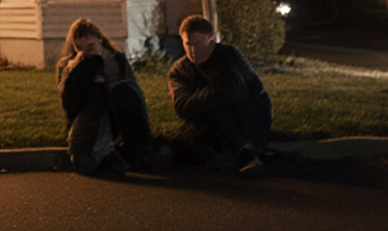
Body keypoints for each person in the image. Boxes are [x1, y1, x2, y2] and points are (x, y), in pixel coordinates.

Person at [167, 15, 273, 175]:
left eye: (198, 43)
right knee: (184, 139)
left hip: (249, 118)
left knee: (211, 107)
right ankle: (236, 154)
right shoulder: (180, 70)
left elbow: (232, 91)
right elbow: (182, 106)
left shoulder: (228, 57)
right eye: (188, 44)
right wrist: (209, 95)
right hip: (212, 125)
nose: (193, 50)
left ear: (210, 39)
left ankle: (245, 152)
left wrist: (200, 98)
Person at [55, 18, 155, 175]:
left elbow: (131, 89)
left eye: (90, 47)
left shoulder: (115, 60)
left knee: (121, 93)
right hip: (90, 114)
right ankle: (107, 155)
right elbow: (68, 99)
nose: (87, 53)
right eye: (81, 49)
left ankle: (136, 150)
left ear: (99, 40)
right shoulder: (71, 65)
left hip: (116, 111)